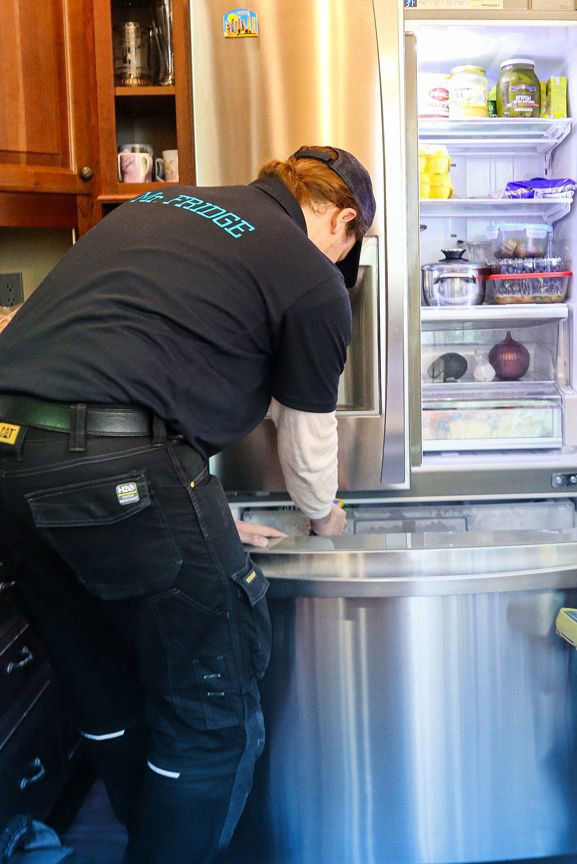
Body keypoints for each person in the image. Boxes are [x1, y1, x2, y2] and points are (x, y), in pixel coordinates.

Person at [0, 146, 375, 862]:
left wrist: (208, 516)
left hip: (11, 460)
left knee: (105, 692)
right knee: (216, 719)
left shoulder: (158, 207)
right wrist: (330, 524)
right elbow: (306, 445)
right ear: (345, 222)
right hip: (113, 469)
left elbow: (138, 372)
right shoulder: (310, 276)